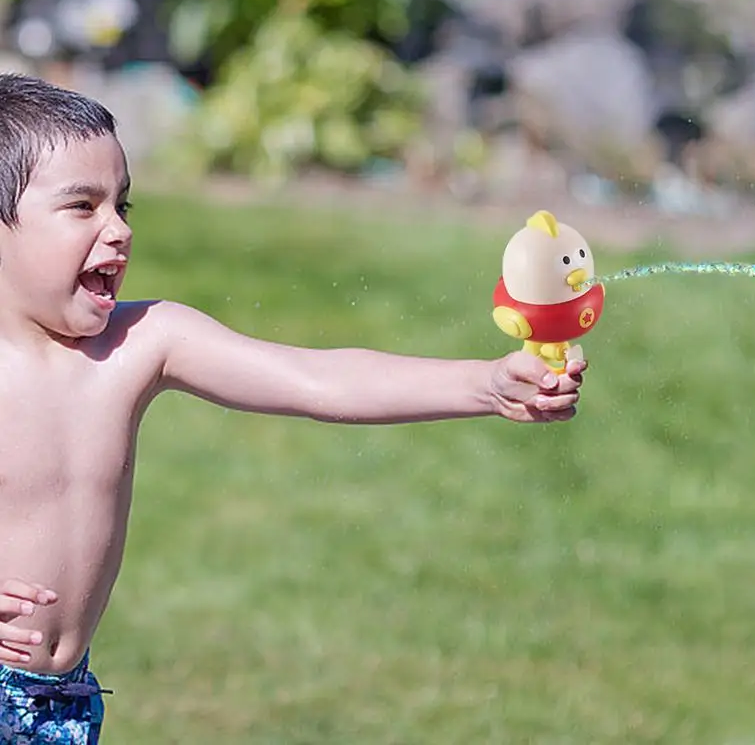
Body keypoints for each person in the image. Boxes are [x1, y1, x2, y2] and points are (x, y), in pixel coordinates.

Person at [0, 72, 587, 744]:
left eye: (123, 206)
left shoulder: (143, 342)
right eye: (83, 207)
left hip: (64, 701)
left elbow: (319, 380)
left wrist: (485, 385)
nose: (118, 231)